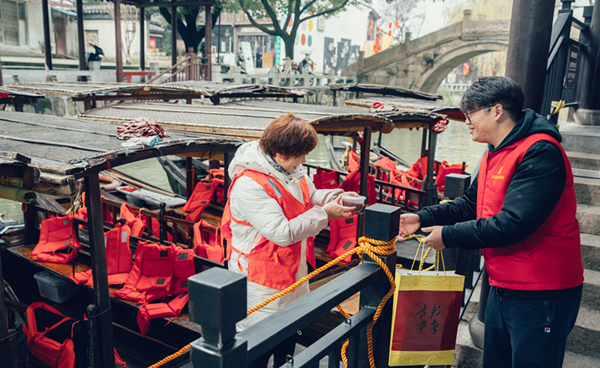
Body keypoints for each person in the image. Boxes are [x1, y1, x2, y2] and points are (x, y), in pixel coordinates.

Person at [397, 76, 583, 368]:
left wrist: (448, 236)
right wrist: (422, 217)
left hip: (541, 288)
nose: (467, 122)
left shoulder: (540, 152)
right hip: (502, 282)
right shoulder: (495, 151)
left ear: (496, 111)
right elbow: (471, 204)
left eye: (470, 114)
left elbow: (513, 223)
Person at [222, 112, 355, 368]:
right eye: (300, 154)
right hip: (259, 276)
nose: (304, 160)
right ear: (281, 152)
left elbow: (311, 196)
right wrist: (325, 213)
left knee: (288, 332)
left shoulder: (292, 170)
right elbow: (282, 232)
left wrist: (336, 198)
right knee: (258, 339)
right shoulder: (248, 184)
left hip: (292, 269)